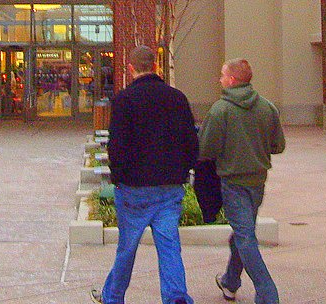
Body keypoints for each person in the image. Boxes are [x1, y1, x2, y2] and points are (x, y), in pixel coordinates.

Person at [92, 45, 198, 304]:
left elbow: (117, 146)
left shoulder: (123, 100)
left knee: (127, 248)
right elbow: (191, 142)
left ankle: (113, 297)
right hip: (169, 186)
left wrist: (118, 177)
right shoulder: (177, 98)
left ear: (130, 68)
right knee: (169, 246)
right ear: (155, 66)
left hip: (133, 188)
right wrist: (182, 172)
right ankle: (175, 297)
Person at [199, 58, 285, 304]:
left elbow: (205, 149)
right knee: (243, 232)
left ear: (232, 80)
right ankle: (230, 281)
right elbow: (278, 146)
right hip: (258, 181)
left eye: (223, 75)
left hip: (232, 182)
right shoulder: (268, 108)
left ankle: (268, 294)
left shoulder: (220, 110)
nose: (220, 79)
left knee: (245, 237)